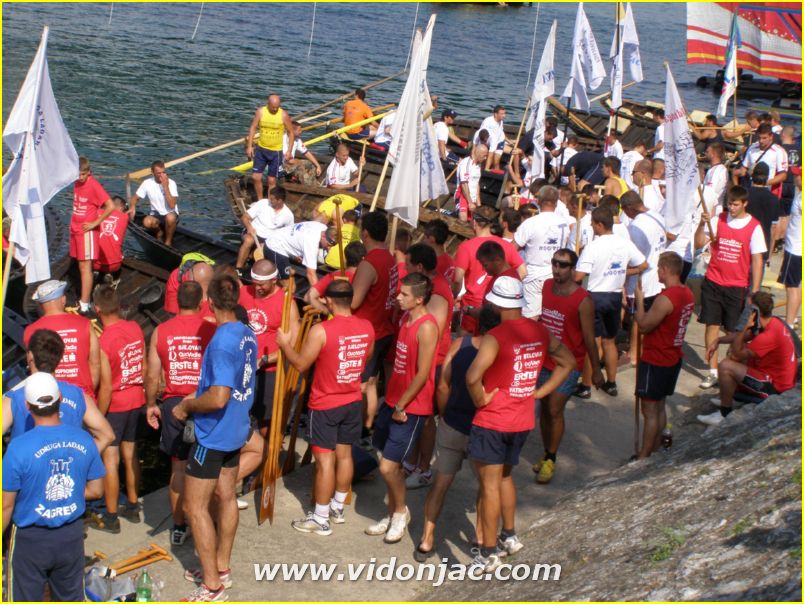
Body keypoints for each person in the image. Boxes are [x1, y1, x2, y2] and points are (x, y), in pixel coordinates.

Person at [466, 277, 575, 571]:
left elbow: (472, 377)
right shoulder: (540, 330)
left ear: (495, 304)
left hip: (493, 420)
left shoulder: (495, 336)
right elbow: (567, 362)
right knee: (504, 478)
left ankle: (488, 553)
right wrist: (540, 391)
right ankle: (510, 535)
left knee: (489, 486)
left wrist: (480, 399)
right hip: (522, 418)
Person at [175, 272, 258, 601]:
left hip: (212, 435)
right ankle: (221, 567)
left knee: (194, 508)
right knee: (226, 496)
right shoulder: (246, 332)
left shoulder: (222, 342)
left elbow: (219, 396)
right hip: (236, 429)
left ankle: (212, 585)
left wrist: (187, 405)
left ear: (209, 303)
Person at [278, 280, 374, 535]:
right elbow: (366, 357)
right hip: (352, 401)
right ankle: (337, 508)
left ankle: (320, 518)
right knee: (345, 456)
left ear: (329, 301)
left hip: (325, 404)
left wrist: (285, 344)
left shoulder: (321, 331)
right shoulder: (367, 327)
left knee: (324, 462)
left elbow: (301, 364)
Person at [2, 372, 105, 602]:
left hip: (30, 540)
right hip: (71, 536)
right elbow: (97, 490)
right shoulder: (84, 439)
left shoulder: (18, 448)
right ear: (60, 399)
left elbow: (5, 507)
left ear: (27, 405)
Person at [414, 306, 500, 562]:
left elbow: (443, 385)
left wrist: (445, 414)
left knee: (440, 483)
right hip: (482, 427)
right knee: (486, 485)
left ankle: (426, 539)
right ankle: (480, 536)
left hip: (452, 423)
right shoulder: (499, 353)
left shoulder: (460, 344)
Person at [365, 273, 438, 544]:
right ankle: (392, 511)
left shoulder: (426, 327)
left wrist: (401, 404)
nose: (398, 297)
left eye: (404, 294)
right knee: (384, 458)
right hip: (393, 400)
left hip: (410, 407)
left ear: (419, 299)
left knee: (388, 467)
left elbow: (422, 373)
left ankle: (399, 514)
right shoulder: (406, 318)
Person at [145, 281, 216, 546]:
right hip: (204, 402)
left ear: (176, 302)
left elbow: (152, 375)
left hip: (173, 404)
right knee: (209, 466)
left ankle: (178, 526)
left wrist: (150, 404)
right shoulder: (211, 329)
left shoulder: (161, 331)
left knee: (178, 468)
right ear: (201, 303)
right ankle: (206, 519)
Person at [535, 249, 603, 483]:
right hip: (544, 359)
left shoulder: (583, 300)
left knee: (555, 409)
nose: (557, 268)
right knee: (544, 408)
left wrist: (596, 370)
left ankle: (551, 458)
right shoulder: (546, 286)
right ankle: (546, 452)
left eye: (563, 265)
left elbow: (589, 337)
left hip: (570, 363)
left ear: (573, 269)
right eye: (554, 263)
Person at [695, 185, 767, 390]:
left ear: (745, 204)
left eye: (735, 205)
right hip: (713, 281)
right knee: (711, 325)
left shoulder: (754, 227)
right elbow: (699, 243)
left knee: (733, 331)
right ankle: (713, 371)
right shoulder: (718, 219)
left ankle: (730, 369)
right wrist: (701, 224)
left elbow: (757, 260)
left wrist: (755, 290)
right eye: (729, 204)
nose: (731, 208)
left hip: (737, 286)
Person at [574, 207, 647, 398]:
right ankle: (612, 383)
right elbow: (643, 264)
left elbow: (578, 276)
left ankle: (586, 385)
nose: (591, 226)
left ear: (599, 224)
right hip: (614, 296)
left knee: (593, 342)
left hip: (595, 297)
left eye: (592, 224)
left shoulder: (593, 246)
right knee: (610, 342)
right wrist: (623, 272)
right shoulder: (625, 243)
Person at [3, 329, 114, 453]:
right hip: (68, 463)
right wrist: (82, 458)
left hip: (24, 464)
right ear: (60, 357)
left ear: (30, 356)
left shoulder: (14, 398)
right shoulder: (78, 395)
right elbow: (107, 436)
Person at [92, 285, 146, 532]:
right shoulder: (135, 328)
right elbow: (143, 365)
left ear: (97, 309)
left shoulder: (103, 342)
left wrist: (98, 416)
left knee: (110, 460)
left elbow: (105, 388)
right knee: (131, 455)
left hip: (116, 405)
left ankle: (111, 516)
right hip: (137, 399)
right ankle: (133, 506)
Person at [698, 291, 796, 426]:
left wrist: (744, 327)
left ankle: (724, 414)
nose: (747, 313)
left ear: (756, 312)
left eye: (750, 310)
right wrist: (718, 340)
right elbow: (745, 336)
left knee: (726, 366)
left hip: (775, 388)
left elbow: (736, 353)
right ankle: (731, 398)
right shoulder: (773, 322)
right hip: (772, 376)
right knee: (739, 355)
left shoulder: (769, 336)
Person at [402, 244, 455, 490]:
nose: (405, 269)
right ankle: (412, 462)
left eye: (409, 264)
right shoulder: (432, 286)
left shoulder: (439, 291)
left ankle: (423, 469)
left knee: (424, 417)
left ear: (420, 267)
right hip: (422, 360)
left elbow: (434, 330)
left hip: (433, 362)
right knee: (417, 414)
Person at [633, 252, 694, 457]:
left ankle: (644, 455)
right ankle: (656, 448)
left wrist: (639, 301)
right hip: (672, 357)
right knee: (659, 406)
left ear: (666, 270)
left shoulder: (666, 298)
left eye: (659, 268)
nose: (658, 271)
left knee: (649, 410)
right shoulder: (687, 293)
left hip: (656, 358)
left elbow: (644, 326)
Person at [239, 259, 300, 435]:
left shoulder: (287, 303)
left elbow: (294, 344)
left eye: (262, 285)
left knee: (266, 422)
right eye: (254, 283)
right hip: (243, 366)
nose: (257, 288)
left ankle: (265, 449)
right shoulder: (243, 292)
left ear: (274, 280)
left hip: (270, 370)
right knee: (240, 416)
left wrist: (264, 360)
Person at [351, 212, 395, 432]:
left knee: (359, 385)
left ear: (365, 233)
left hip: (367, 334)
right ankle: (367, 426)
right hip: (383, 330)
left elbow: (353, 302)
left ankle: (356, 429)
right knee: (371, 383)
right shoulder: (390, 258)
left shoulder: (370, 263)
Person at [453, 206, 526, 335]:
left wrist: (454, 297)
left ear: (474, 222)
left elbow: (457, 280)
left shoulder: (465, 247)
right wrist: (508, 290)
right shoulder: (505, 245)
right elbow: (523, 271)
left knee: (466, 342)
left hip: (473, 304)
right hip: (500, 306)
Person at [23, 280, 100, 402]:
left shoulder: (30, 331)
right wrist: (89, 392)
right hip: (83, 396)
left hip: (51, 399)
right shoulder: (84, 323)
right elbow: (95, 364)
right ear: (63, 300)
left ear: (41, 305)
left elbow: (34, 368)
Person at [620, 190, 667, 364]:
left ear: (629, 208)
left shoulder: (636, 227)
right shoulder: (657, 216)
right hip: (657, 278)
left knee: (637, 319)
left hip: (642, 281)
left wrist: (624, 279)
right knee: (648, 317)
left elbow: (634, 258)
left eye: (624, 210)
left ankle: (634, 354)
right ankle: (642, 348)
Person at [514, 185, 570, 318]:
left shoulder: (530, 223)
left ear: (539, 201)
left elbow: (512, 248)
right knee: (552, 316)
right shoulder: (564, 224)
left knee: (531, 318)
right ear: (556, 202)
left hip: (534, 275)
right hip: (556, 274)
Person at [71, 156, 115, 313]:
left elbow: (110, 206)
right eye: (78, 174)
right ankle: (84, 298)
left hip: (86, 231)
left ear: (89, 172)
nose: (80, 177)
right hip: (76, 229)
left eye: (83, 174)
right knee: (80, 264)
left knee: (85, 266)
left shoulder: (93, 185)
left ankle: (84, 304)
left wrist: (95, 223)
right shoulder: (76, 182)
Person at [246, 94, 295, 201]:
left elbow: (291, 132)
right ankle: (260, 200)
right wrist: (249, 146)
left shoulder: (283, 115)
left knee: (271, 180)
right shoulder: (261, 112)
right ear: (268, 104)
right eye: (273, 107)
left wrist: (289, 151)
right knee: (256, 177)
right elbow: (253, 127)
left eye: (277, 107)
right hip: (261, 149)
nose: (275, 109)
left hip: (276, 152)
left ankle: (270, 201)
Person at [235, 185, 295, 271]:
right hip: (253, 233)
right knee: (249, 240)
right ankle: (238, 268)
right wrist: (249, 227)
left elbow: (289, 235)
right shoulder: (263, 203)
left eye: (272, 199)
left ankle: (250, 256)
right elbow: (245, 217)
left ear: (280, 200)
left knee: (265, 252)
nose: (269, 200)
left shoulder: (288, 215)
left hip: (269, 240)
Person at [262, 221, 335, 285]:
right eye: (328, 245)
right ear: (323, 236)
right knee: (289, 287)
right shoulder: (311, 242)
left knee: (289, 286)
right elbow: (310, 274)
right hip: (275, 247)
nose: (329, 249)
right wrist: (317, 294)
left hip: (280, 237)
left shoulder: (323, 227)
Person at [128, 160, 180, 247]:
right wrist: (132, 207)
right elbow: (135, 198)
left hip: (170, 213)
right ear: (152, 172)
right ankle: (159, 232)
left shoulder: (171, 183)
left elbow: (172, 205)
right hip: (156, 214)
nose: (162, 175)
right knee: (146, 222)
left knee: (170, 217)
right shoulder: (147, 183)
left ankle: (168, 242)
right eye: (159, 173)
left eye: (163, 172)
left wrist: (165, 186)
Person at [733, 123, 789, 199]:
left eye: (764, 138)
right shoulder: (752, 148)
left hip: (768, 191)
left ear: (771, 136)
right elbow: (744, 169)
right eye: (759, 138)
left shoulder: (779, 151)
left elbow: (783, 176)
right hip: (751, 190)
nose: (761, 141)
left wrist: (762, 184)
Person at [309, 240, 366, 311]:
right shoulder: (364, 280)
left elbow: (309, 296)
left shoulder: (334, 275)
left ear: (346, 257)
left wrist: (327, 310)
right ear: (363, 259)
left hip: (334, 315)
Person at [778, 175, 801, 329]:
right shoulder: (799, 194)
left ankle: (789, 324)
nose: (795, 177)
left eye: (798, 175)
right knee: (795, 286)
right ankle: (793, 319)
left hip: (795, 249)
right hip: (795, 247)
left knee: (791, 287)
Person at [92, 195, 129, 283]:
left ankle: (96, 271)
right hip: (115, 265)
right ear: (121, 207)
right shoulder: (125, 217)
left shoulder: (96, 212)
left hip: (94, 263)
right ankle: (109, 273)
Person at [746, 163, 780, 256]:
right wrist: (769, 253)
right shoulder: (774, 199)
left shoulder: (744, 194)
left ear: (753, 176)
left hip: (744, 243)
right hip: (762, 245)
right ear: (767, 177)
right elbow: (773, 228)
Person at [281, 120, 322, 185]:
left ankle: (311, 181)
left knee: (311, 164)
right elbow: (287, 160)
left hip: (292, 163)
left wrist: (318, 165)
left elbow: (306, 152)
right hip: (283, 166)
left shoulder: (297, 140)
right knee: (300, 168)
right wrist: (299, 163)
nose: (301, 132)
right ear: (293, 131)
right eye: (299, 130)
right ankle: (309, 185)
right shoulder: (282, 139)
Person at [454, 144, 489, 221]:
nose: (485, 158)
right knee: (463, 219)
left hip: (473, 197)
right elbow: (464, 184)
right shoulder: (466, 163)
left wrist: (478, 203)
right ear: (478, 153)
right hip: (462, 195)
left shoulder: (479, 165)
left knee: (474, 221)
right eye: (484, 156)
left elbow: (477, 184)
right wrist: (470, 202)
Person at [473, 105, 509, 171]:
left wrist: (486, 169)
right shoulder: (487, 122)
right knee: (482, 155)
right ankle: (480, 169)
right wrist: (473, 158)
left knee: (496, 160)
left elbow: (490, 155)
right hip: (488, 140)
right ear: (495, 114)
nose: (504, 116)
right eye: (502, 114)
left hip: (499, 141)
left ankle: (496, 173)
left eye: (504, 113)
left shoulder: (500, 122)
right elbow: (474, 148)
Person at [703, 143, 729, 209]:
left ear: (713, 154)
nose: (705, 154)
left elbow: (712, 191)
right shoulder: (712, 169)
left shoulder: (719, 170)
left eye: (707, 152)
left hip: (713, 209)